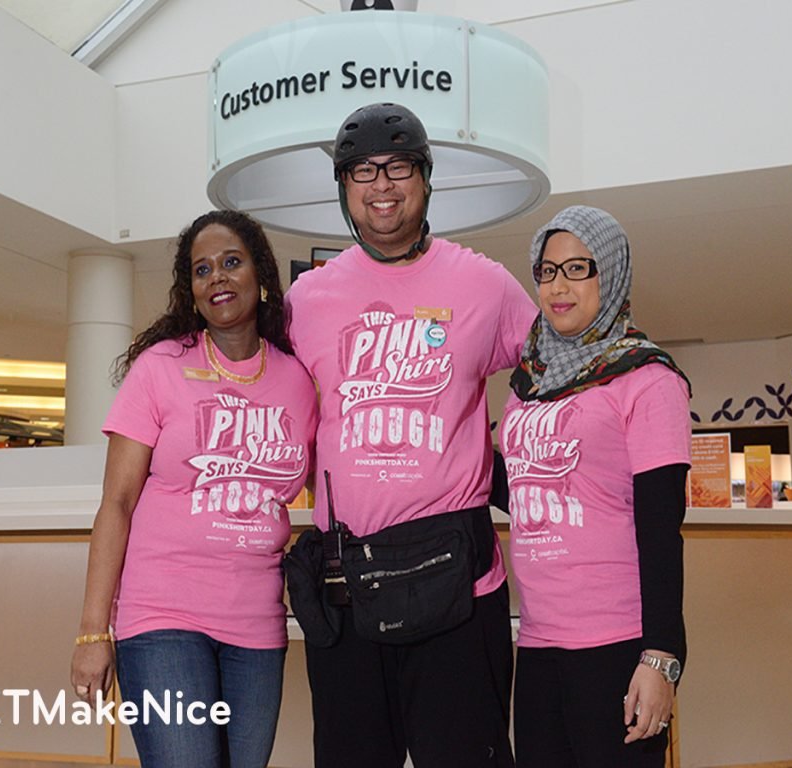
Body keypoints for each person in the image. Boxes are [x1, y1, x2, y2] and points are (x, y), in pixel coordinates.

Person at [285, 102, 537, 768]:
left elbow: (554, 371)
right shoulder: (307, 299)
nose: (382, 185)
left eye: (398, 167)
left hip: (458, 588)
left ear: (426, 178)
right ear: (343, 189)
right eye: (363, 171)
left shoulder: (484, 283)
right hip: (347, 587)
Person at [70, 210, 317, 768]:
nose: (218, 278)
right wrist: (92, 633)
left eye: (231, 262)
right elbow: (116, 504)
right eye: (202, 270)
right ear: (191, 290)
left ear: (261, 275)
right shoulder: (161, 368)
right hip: (162, 617)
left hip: (256, 623)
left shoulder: (297, 382)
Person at [498, 205, 691, 767]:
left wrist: (661, 658)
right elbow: (530, 495)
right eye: (547, 270)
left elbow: (660, 530)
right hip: (536, 643)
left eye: (578, 268)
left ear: (610, 275)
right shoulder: (528, 384)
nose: (559, 286)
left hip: (617, 645)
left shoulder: (647, 380)